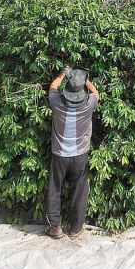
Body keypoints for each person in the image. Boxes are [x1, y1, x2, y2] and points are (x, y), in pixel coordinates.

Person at [44, 66, 100, 239]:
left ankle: (55, 228)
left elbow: (52, 87)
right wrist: (84, 80)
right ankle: (76, 229)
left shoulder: (56, 102)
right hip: (80, 156)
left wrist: (63, 74)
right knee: (80, 191)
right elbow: (96, 93)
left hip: (60, 155)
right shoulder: (90, 103)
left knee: (54, 189)